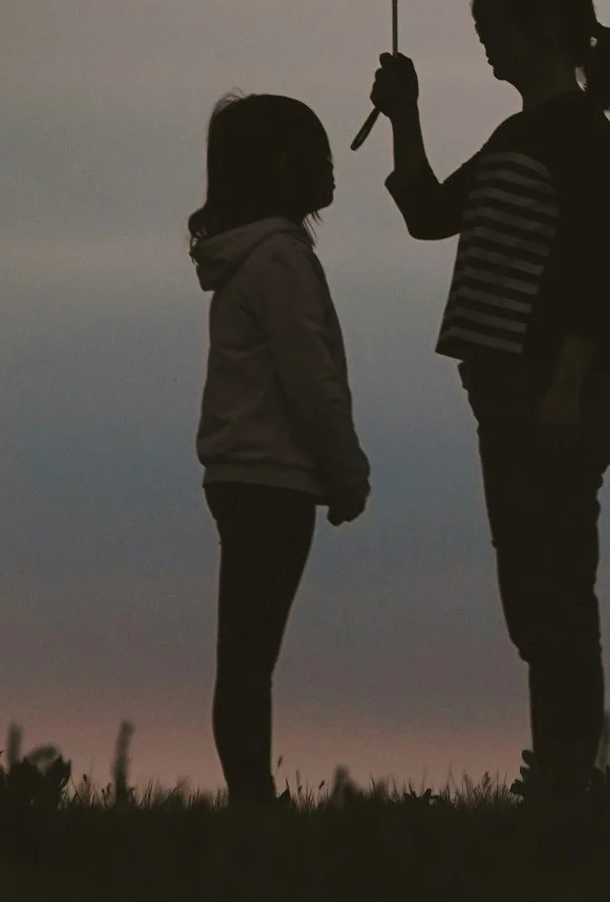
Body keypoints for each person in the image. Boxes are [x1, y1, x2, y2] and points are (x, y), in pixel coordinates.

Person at [368, 0, 610, 804]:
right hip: (505, 393)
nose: (483, 40)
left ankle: (567, 782)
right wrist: (404, 114)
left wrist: (566, 384)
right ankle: (559, 775)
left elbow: (592, 270)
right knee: (532, 594)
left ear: (544, 27)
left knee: (553, 594)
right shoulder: (519, 137)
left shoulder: (582, 134)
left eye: (493, 25)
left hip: (547, 390)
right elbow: (428, 214)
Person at [190, 92, 370, 805]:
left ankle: (249, 795)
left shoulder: (246, 262)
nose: (329, 167)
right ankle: (252, 800)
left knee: (244, 650)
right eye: (313, 153)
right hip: (273, 479)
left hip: (240, 474)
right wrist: (346, 472)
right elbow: (311, 380)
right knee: (249, 656)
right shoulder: (281, 263)